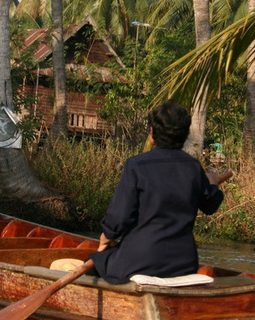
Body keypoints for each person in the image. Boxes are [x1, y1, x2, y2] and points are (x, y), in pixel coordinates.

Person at [91, 100, 231, 285]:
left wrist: (106, 238)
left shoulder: (136, 165)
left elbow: (119, 216)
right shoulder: (193, 167)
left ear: (152, 133)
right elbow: (210, 205)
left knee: (96, 261)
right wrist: (213, 184)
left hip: (140, 260)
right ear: (185, 134)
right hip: (182, 263)